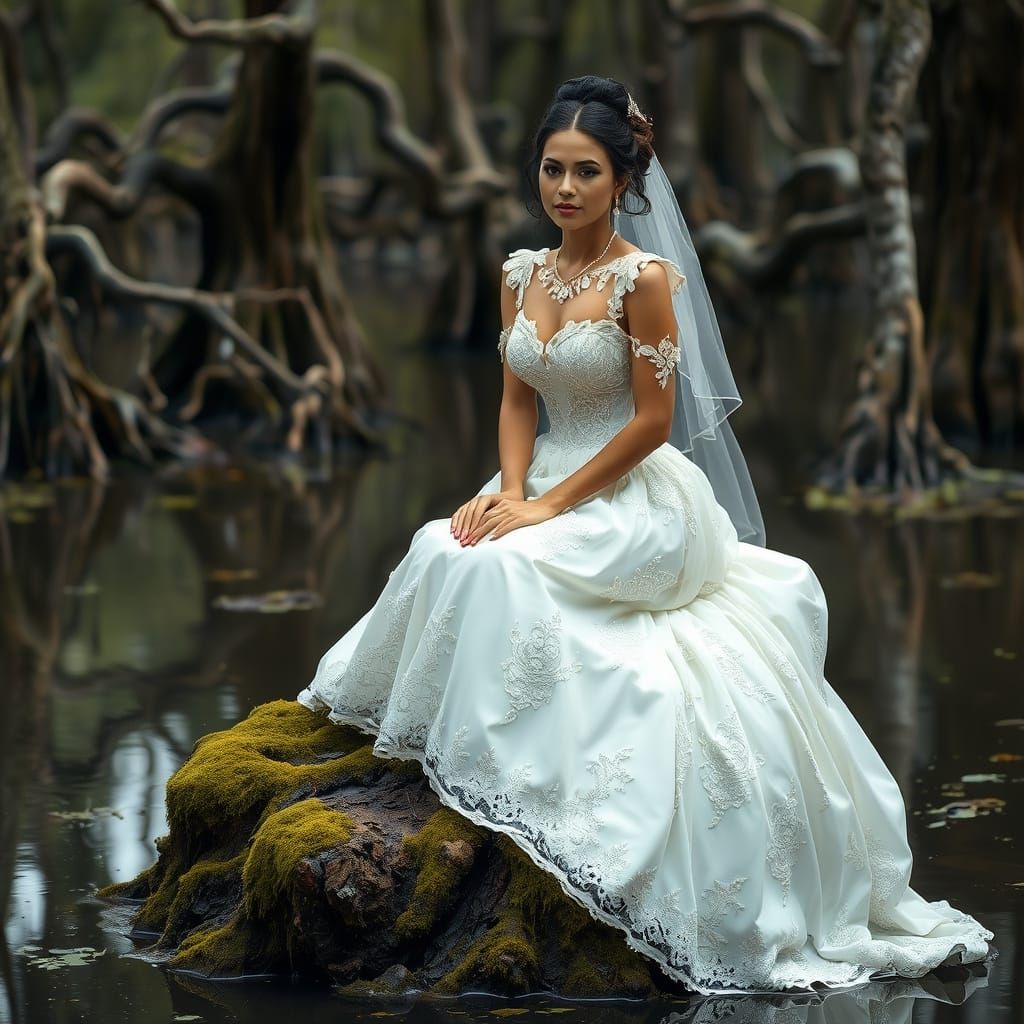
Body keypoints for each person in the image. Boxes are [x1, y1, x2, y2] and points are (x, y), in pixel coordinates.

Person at [297, 76, 994, 995]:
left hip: (632, 493)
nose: (566, 188)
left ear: (624, 180)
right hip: (543, 474)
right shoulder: (519, 274)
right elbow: (515, 398)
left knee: (509, 572)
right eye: (552, 169)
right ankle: (473, 752)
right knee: (447, 547)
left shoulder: (643, 279)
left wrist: (550, 510)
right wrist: (511, 491)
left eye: (587, 171)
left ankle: (535, 779)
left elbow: (652, 423)